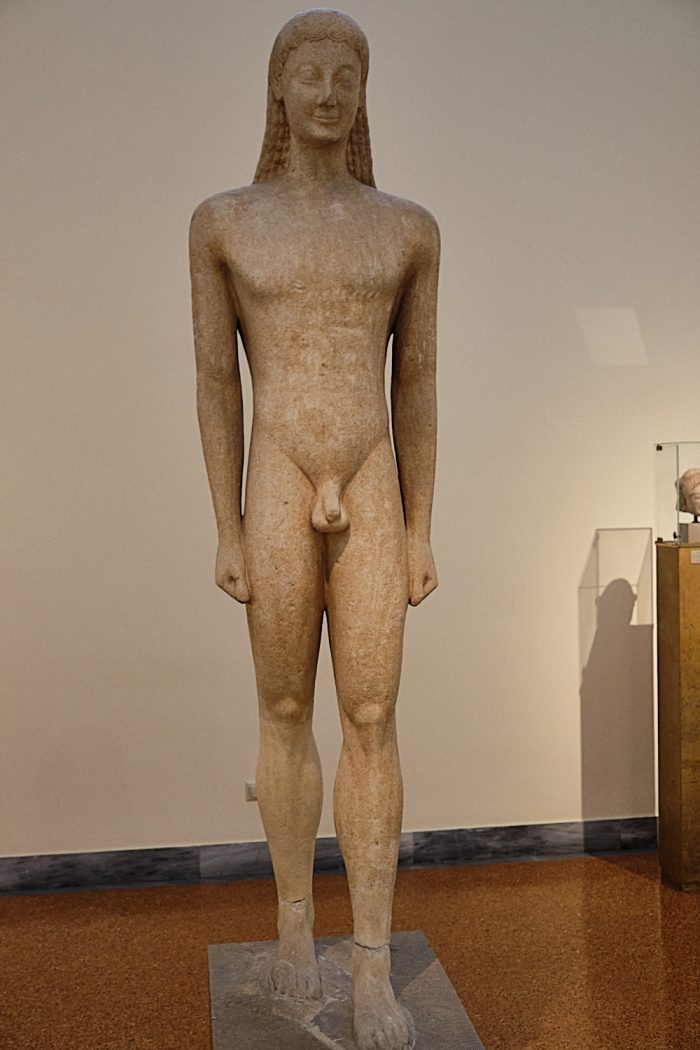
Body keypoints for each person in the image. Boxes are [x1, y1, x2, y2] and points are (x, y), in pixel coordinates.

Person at [190, 11, 438, 1049]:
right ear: (279, 90)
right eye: (311, 73)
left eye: (347, 75)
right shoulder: (225, 223)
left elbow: (415, 382)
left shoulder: (407, 229)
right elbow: (217, 383)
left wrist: (420, 526)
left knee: (372, 711)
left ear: (363, 93)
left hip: (371, 475)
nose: (330, 91)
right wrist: (227, 526)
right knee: (285, 704)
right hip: (276, 472)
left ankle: (372, 961)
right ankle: (295, 925)